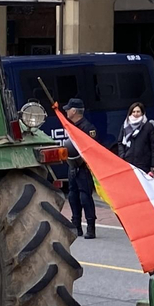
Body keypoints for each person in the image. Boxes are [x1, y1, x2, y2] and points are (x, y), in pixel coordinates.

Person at [61, 98, 100, 239]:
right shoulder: (71, 126)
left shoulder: (87, 128)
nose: (66, 111)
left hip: (84, 167)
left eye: (68, 109)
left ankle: (90, 227)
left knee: (85, 197)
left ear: (74, 111)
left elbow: (91, 148)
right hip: (72, 166)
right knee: (73, 196)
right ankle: (76, 226)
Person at [116, 101, 154, 174]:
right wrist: (122, 156)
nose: (135, 114)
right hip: (128, 163)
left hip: (143, 165)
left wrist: (153, 165)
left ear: (142, 113)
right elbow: (120, 142)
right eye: (133, 112)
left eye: (138, 112)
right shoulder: (125, 126)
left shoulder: (148, 126)